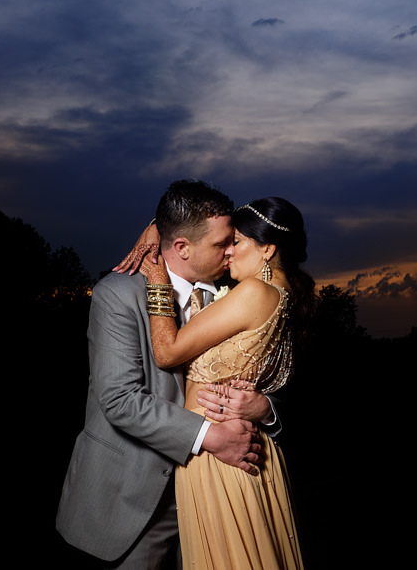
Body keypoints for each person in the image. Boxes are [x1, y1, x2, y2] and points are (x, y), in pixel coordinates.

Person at [56, 180, 273, 568]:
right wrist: (213, 437)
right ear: (182, 248)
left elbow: (268, 371)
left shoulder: (233, 292)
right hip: (131, 499)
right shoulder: (118, 295)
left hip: (211, 495)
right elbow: (121, 401)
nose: (232, 250)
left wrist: (265, 406)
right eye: (222, 243)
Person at [137, 196, 314, 570]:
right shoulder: (285, 296)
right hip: (246, 448)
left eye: (237, 242)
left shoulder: (253, 293)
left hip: (218, 453)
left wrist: (156, 280)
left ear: (267, 249)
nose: (228, 252)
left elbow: (167, 353)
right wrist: (159, 226)